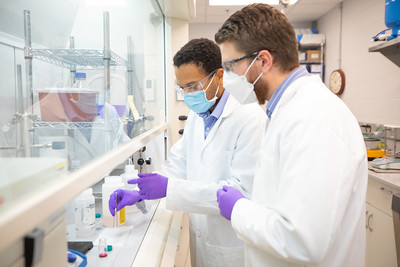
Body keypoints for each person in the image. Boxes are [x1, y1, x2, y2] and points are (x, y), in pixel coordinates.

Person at [214, 4, 368, 267]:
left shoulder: (313, 118)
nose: (227, 78)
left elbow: (303, 241)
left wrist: (238, 209)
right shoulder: (285, 111)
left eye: (231, 66)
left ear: (263, 61)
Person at [108, 38, 266, 267]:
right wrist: (140, 191)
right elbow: (178, 164)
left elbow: (240, 191)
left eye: (193, 86)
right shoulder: (198, 116)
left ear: (219, 76)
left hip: (233, 248)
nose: (187, 94)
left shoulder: (250, 118)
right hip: (202, 241)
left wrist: (169, 189)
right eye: (182, 88)